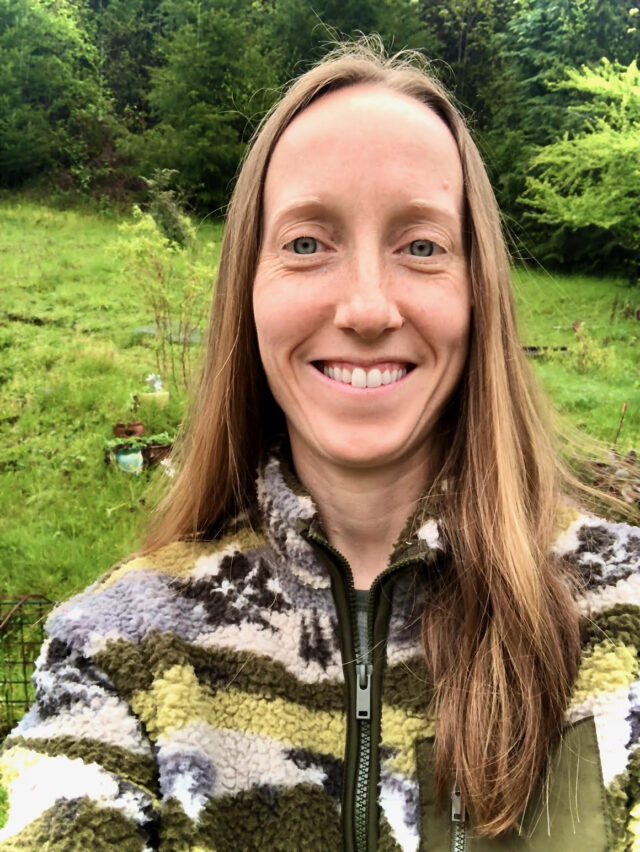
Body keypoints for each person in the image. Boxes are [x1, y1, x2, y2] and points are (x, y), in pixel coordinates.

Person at [1, 37, 639, 852]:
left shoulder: (622, 621)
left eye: (422, 245)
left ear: (479, 293)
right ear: (249, 292)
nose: (369, 308)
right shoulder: (121, 648)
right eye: (307, 243)